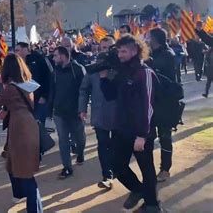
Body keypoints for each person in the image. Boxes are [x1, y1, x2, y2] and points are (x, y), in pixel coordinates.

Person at [100, 35, 161, 212]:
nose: (119, 54)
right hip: (120, 129)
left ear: (135, 51)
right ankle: (138, 190)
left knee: (146, 168)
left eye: (123, 51)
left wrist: (142, 135)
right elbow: (110, 96)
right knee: (116, 164)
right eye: (118, 51)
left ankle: (152, 205)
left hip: (140, 132)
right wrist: (104, 78)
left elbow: (148, 105)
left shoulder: (145, 72)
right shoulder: (120, 71)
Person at [0, 53, 43, 213]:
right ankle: (23, 197)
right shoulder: (27, 83)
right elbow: (16, 99)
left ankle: (35, 208)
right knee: (18, 166)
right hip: (29, 126)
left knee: (25, 172)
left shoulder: (11, 88)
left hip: (19, 129)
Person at [78, 37, 116, 189]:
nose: (106, 50)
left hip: (119, 115)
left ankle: (117, 169)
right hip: (100, 114)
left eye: (109, 47)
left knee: (116, 146)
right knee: (103, 145)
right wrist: (82, 108)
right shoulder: (94, 68)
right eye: (103, 47)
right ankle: (107, 175)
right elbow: (84, 89)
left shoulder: (122, 67)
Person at [47, 46, 86, 179]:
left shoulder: (78, 69)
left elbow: (84, 90)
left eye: (55, 55)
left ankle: (80, 153)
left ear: (63, 56)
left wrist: (83, 109)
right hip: (59, 112)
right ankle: (67, 168)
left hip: (76, 112)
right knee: (63, 140)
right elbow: (52, 91)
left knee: (79, 138)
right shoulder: (55, 72)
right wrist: (49, 110)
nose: (53, 58)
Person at [147, 28, 177, 183]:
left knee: (165, 137)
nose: (146, 39)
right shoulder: (152, 55)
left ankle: (165, 169)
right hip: (152, 103)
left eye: (148, 37)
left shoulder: (167, 55)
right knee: (149, 137)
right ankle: (149, 169)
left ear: (156, 39)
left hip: (165, 103)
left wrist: (150, 69)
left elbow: (166, 80)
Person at [15, 42, 52, 128]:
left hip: (39, 99)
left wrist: (44, 96)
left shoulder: (39, 59)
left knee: (38, 125)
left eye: (18, 50)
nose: (16, 53)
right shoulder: (17, 63)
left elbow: (48, 77)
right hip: (25, 100)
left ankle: (41, 141)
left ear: (26, 50)